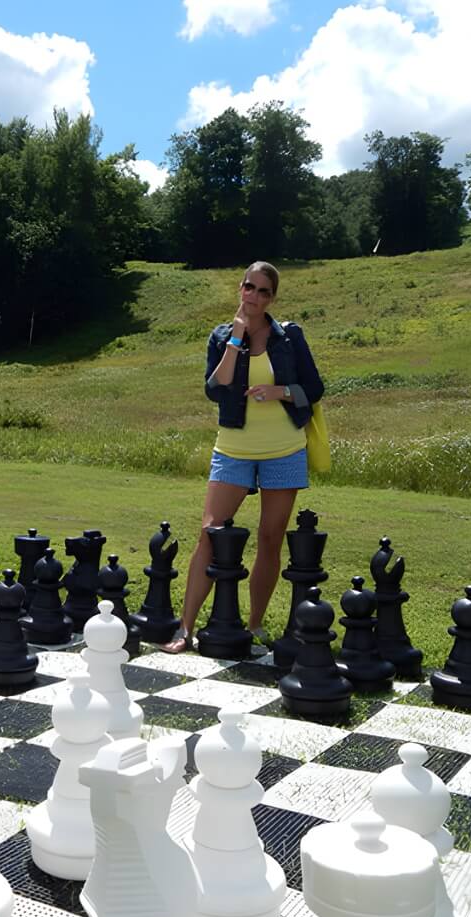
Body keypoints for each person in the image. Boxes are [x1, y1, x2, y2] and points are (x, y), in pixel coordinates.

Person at [161, 261, 324, 654]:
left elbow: (314, 388)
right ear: (241, 288)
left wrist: (280, 391)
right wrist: (236, 338)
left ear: (273, 298)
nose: (254, 296)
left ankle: (254, 626)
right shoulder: (221, 337)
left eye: (263, 291)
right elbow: (216, 389)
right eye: (249, 287)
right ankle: (186, 628)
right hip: (234, 449)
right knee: (210, 533)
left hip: (284, 449)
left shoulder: (290, 337)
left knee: (270, 539)